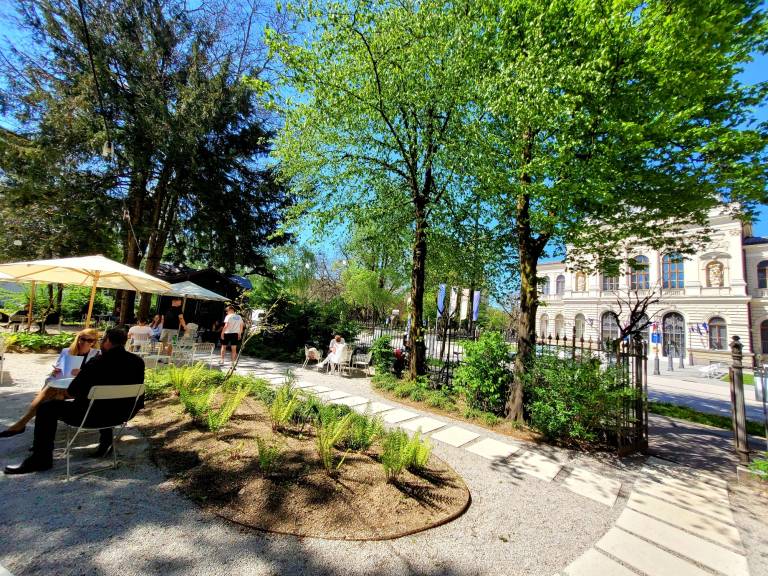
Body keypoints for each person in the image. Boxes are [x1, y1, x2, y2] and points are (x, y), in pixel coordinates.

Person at [4, 328, 145, 475]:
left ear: (108, 341)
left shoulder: (97, 363)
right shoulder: (138, 362)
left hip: (91, 417)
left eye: (103, 340)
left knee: (46, 408)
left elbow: (72, 391)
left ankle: (41, 458)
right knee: (104, 403)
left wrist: (65, 391)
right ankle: (106, 443)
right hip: (123, 414)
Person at [0, 329, 101, 438]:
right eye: (83, 339)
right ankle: (41, 435)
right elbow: (55, 374)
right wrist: (55, 372)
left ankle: (22, 424)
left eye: (90, 340)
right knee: (56, 396)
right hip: (62, 386)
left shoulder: (97, 355)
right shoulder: (66, 351)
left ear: (94, 342)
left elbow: (96, 377)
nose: (85, 342)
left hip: (79, 390)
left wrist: (82, 372)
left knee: (49, 394)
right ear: (78, 339)